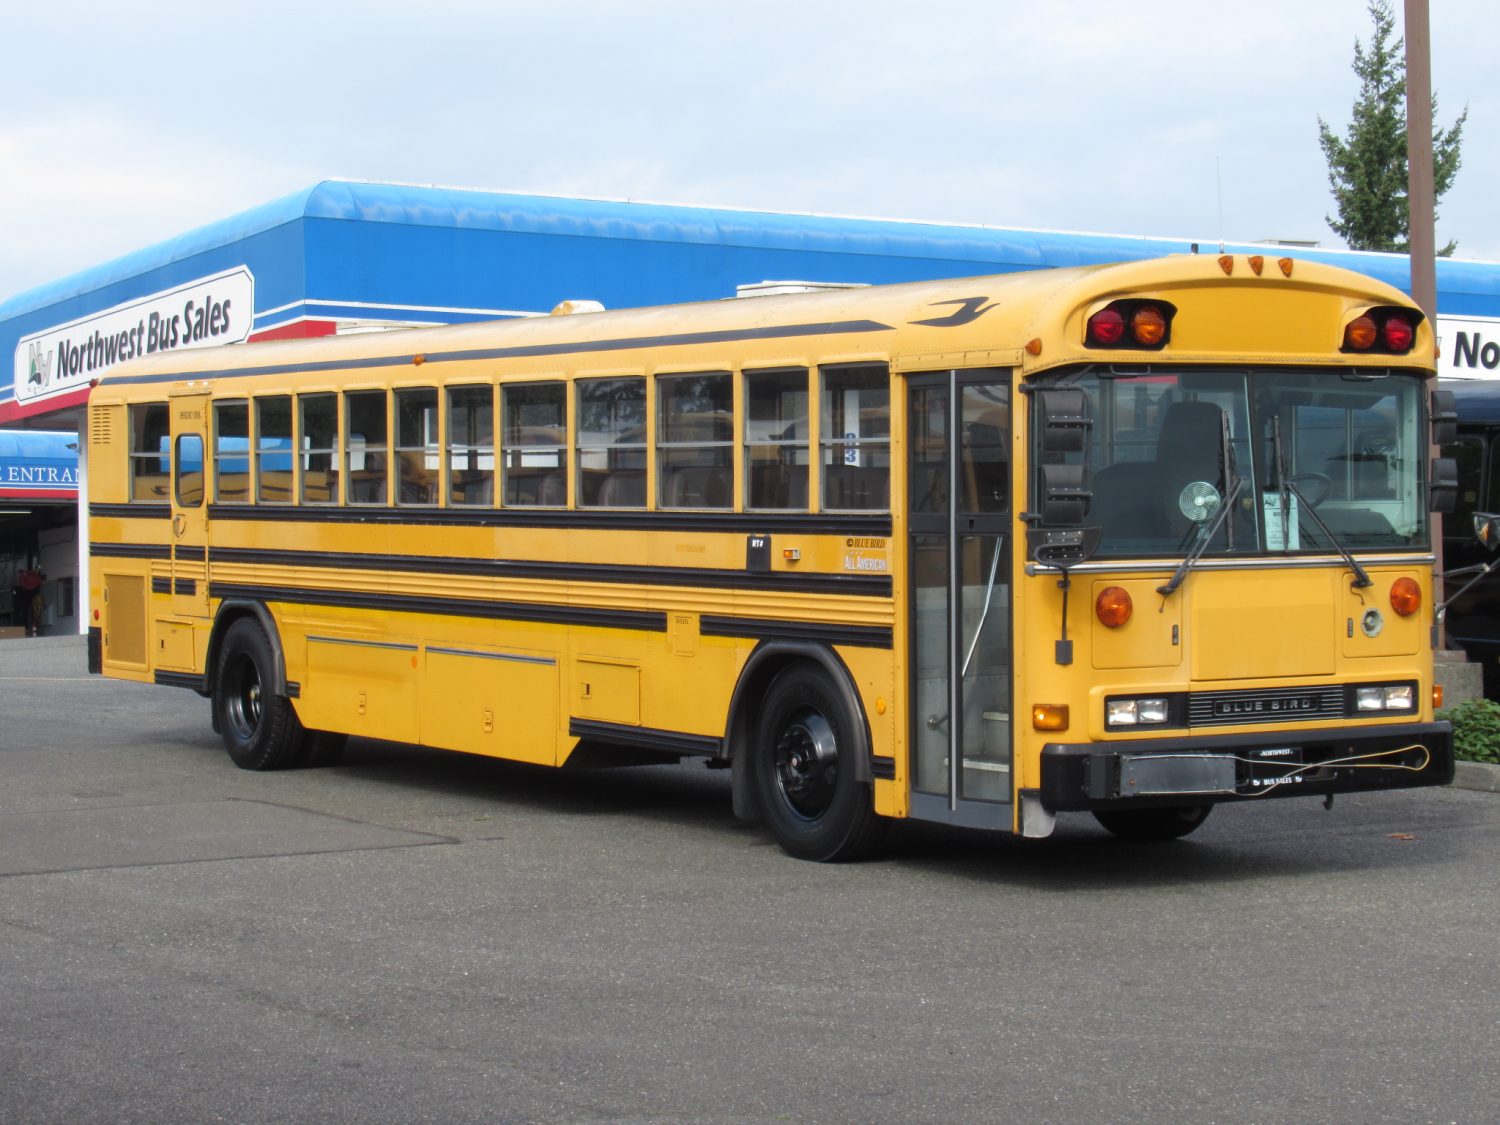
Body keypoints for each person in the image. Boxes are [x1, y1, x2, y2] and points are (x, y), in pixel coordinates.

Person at [17, 566, 44, 637]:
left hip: (32, 599)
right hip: (33, 599)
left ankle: (33, 629)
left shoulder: (31, 577)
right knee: (34, 614)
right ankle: (34, 629)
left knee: (33, 614)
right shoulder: (34, 578)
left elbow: (29, 582)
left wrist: (24, 574)